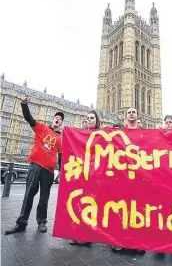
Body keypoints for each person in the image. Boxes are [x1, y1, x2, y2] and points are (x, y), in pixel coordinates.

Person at [5, 96, 64, 234]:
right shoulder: (41, 127)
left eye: (60, 119)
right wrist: (24, 105)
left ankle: (42, 222)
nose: (57, 119)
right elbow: (29, 118)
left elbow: (61, 155)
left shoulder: (60, 138)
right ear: (53, 119)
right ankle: (21, 223)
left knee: (44, 197)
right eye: (56, 117)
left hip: (49, 170)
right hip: (35, 165)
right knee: (29, 194)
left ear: (61, 123)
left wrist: (61, 171)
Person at [112, 107, 145, 254]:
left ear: (138, 116)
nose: (131, 114)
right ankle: (119, 241)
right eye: (129, 112)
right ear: (125, 116)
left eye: (134, 112)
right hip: (122, 177)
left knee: (138, 210)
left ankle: (137, 242)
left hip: (139, 177)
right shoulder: (120, 133)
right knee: (122, 208)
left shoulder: (145, 133)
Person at [69, 110, 101, 245]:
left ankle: (88, 236)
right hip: (81, 173)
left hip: (94, 174)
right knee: (78, 204)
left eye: (92, 118)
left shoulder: (100, 135)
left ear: (97, 120)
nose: (89, 120)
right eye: (87, 118)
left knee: (91, 205)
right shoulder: (80, 134)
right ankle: (77, 234)